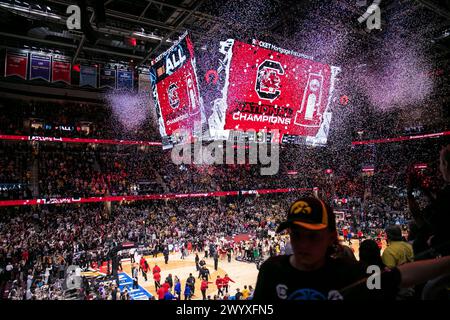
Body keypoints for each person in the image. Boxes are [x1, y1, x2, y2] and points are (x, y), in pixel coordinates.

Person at [253, 197, 450, 301]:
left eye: (313, 236)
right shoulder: (271, 270)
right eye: (296, 235)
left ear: (331, 236)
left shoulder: (353, 272)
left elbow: (400, 276)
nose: (303, 245)